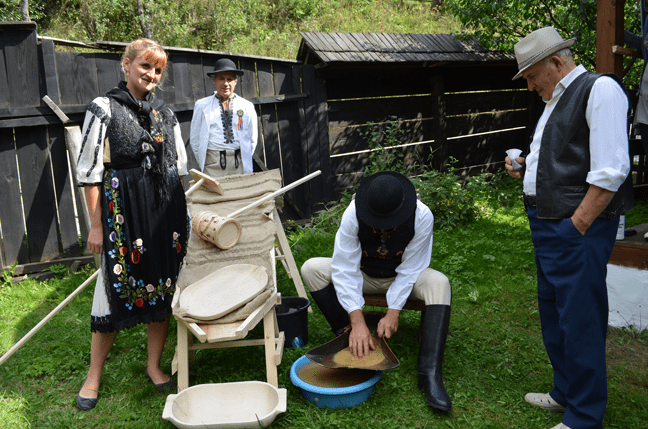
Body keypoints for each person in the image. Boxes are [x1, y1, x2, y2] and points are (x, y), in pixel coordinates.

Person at [505, 27, 634, 429]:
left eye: (531, 76)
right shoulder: (556, 97)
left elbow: (612, 169)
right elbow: (565, 158)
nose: (529, 86)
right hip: (548, 222)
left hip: (575, 226)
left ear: (557, 63)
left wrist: (576, 225)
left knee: (579, 318)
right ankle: (566, 392)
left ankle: (584, 414)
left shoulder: (601, 91)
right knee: (554, 313)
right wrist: (526, 168)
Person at [75, 38, 189, 411]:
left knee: (162, 287)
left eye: (157, 70)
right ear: (125, 65)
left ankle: (154, 365)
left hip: (164, 214)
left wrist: (184, 216)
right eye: (145, 66)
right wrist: (95, 226)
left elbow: (179, 167)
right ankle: (93, 377)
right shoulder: (103, 108)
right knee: (110, 290)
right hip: (122, 216)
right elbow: (90, 174)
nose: (151, 75)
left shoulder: (165, 114)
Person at [300, 171, 453, 412]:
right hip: (364, 276)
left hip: (402, 278)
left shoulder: (422, 216)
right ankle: (347, 333)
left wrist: (393, 311)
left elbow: (412, 268)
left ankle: (430, 374)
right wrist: (356, 317)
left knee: (440, 283)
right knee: (312, 268)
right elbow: (344, 267)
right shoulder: (353, 213)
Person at [190, 58, 258, 177]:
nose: (226, 83)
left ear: (235, 82)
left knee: (238, 194)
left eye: (230, 79)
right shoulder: (202, 105)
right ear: (214, 81)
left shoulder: (246, 106)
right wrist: (207, 162)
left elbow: (252, 139)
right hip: (212, 165)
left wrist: (243, 159)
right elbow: (195, 140)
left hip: (239, 164)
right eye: (221, 78)